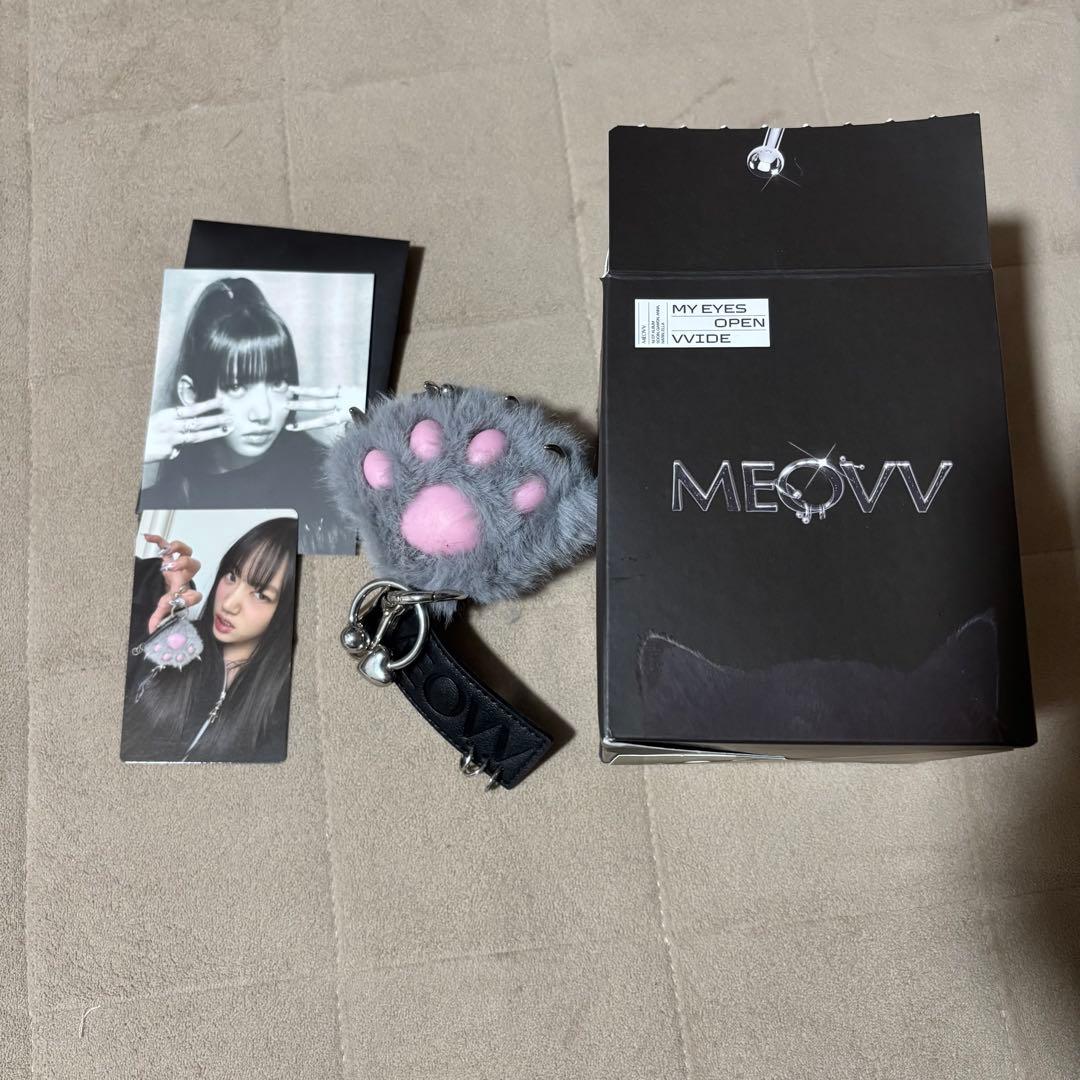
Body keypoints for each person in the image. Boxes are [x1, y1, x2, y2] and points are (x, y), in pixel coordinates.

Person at [140, 276, 364, 554]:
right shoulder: (160, 503)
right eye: (236, 387)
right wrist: (136, 453)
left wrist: (372, 434)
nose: (263, 412)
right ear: (191, 394)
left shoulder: (331, 481)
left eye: (277, 383)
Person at [122, 518, 297, 763]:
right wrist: (157, 587)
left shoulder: (281, 710)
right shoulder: (176, 641)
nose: (229, 604)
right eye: (232, 576)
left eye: (260, 594)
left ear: (287, 611)